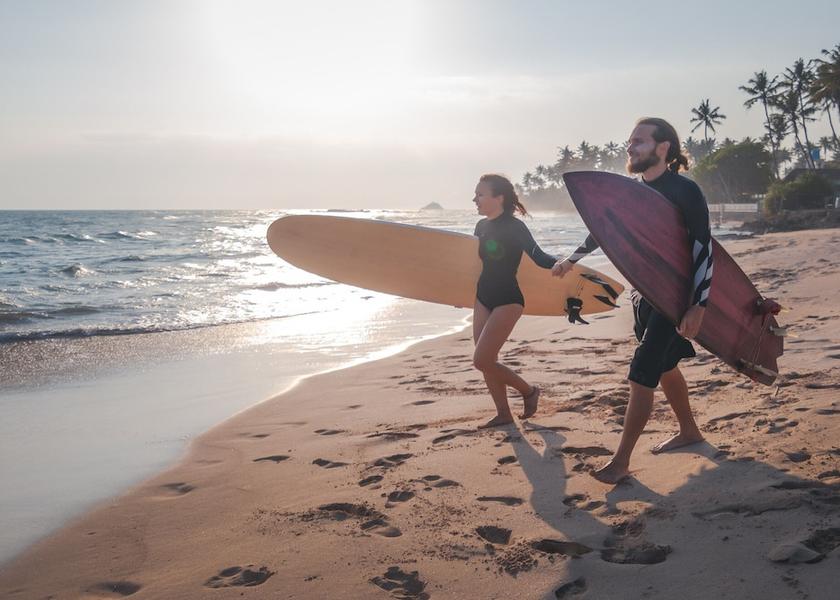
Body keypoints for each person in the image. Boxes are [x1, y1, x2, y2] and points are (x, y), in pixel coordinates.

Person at [553, 117, 713, 483]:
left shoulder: (685, 191)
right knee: (666, 365)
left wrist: (698, 304)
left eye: (639, 141)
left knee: (642, 372)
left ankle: (621, 462)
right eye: (630, 141)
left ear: (663, 147)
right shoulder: (630, 191)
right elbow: (603, 229)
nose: (630, 147)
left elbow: (703, 249)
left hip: (673, 296)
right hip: (643, 292)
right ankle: (689, 431)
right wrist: (571, 260)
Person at [471, 173, 561, 428]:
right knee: (487, 361)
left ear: (499, 198)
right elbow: (473, 266)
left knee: (482, 360)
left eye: (480, 194)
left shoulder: (515, 227)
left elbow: (538, 256)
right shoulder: (481, 226)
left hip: (508, 299)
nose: (475, 199)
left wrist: (562, 263)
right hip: (482, 297)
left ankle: (529, 391)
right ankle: (503, 413)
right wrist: (455, 294)